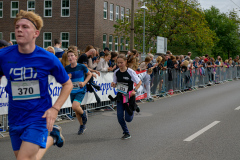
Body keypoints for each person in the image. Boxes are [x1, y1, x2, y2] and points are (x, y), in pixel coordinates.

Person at [0, 10, 73, 160]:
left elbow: (67, 84)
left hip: (38, 116)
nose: (19, 29)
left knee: (23, 159)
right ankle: (52, 138)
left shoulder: (47, 58)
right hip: (15, 117)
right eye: (17, 27)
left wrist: (55, 108)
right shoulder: (3, 56)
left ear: (36, 33)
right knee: (27, 158)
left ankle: (51, 137)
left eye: (25, 27)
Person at [111, 54, 142, 139]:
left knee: (128, 119)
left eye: (121, 62)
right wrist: (113, 84)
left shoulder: (130, 72)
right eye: (118, 63)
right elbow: (115, 84)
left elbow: (139, 82)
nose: (119, 64)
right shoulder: (116, 72)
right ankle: (126, 132)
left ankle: (134, 106)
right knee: (119, 116)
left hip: (129, 97)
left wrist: (134, 91)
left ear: (125, 62)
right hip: (120, 96)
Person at [65, 49, 92, 135]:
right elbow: (63, 80)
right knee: (76, 111)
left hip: (80, 90)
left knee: (75, 106)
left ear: (76, 57)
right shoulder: (66, 68)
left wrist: (84, 83)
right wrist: (67, 78)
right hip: (72, 91)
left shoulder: (81, 66)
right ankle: (82, 125)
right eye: (68, 56)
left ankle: (84, 114)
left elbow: (90, 74)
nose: (70, 57)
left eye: (72, 55)